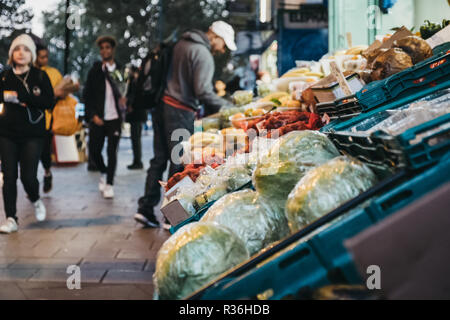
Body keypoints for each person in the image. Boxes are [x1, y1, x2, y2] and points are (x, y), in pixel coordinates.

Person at [134, 21, 236, 228]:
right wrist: (229, 106)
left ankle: (145, 209)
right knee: (179, 161)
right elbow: (203, 91)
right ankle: (171, 216)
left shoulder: (181, 43)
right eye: (223, 44)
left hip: (162, 106)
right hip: (180, 111)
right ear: (215, 37)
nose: (222, 49)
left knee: (159, 158)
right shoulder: (203, 54)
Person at [0, 34, 55, 234]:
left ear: (31, 54)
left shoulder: (40, 76)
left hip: (33, 134)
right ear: (11, 54)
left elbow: (50, 103)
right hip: (7, 133)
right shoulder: (4, 76)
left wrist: (26, 98)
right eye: (17, 49)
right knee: (9, 176)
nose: (20, 53)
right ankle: (11, 218)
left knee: (28, 177)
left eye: (25, 49)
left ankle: (35, 199)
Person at [83, 35, 126, 199]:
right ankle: (103, 171)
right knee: (94, 151)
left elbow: (128, 91)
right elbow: (87, 95)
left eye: (107, 47)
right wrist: (92, 115)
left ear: (112, 49)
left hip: (115, 118)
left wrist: (126, 102)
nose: (104, 50)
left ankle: (109, 183)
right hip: (98, 118)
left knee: (111, 151)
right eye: (102, 48)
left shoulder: (121, 70)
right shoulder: (95, 71)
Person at [34, 44, 67, 193]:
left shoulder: (54, 73)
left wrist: (61, 93)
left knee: (44, 152)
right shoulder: (29, 73)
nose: (45, 59)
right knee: (31, 153)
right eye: (42, 57)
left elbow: (64, 93)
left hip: (48, 118)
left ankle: (47, 172)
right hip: (29, 119)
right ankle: (32, 183)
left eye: (46, 56)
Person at [125, 65, 146, 170]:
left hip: (136, 114)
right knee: (135, 139)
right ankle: (136, 161)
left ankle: (137, 161)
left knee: (136, 139)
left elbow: (134, 96)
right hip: (136, 115)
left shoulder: (137, 82)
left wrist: (130, 105)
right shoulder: (135, 81)